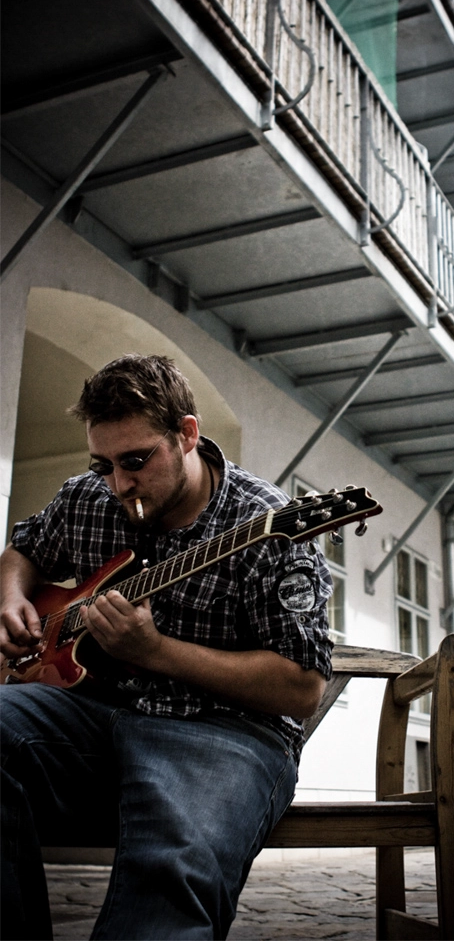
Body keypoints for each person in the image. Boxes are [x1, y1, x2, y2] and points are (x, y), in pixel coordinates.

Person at [0, 354, 333, 941]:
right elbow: (22, 550)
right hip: (95, 713)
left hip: (224, 731)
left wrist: (155, 651)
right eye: (102, 464)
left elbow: (303, 688)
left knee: (172, 873)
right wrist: (10, 600)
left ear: (187, 434)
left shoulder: (266, 522)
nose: (118, 483)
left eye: (136, 461)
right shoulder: (87, 499)